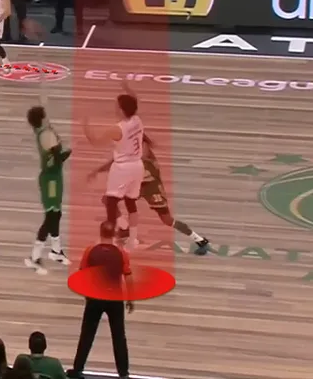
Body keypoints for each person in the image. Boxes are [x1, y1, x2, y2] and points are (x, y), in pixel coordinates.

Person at [67, 222, 133, 379]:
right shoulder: (121, 253)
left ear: (100, 232)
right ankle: (123, 373)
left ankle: (77, 369)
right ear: (114, 234)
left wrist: (85, 293)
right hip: (115, 299)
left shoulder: (90, 251)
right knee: (119, 336)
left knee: (87, 334)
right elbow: (128, 276)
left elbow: (82, 274)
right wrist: (130, 298)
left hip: (94, 298)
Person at [83, 81, 144, 249]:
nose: (115, 108)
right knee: (131, 202)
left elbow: (95, 141)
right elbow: (135, 99)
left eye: (117, 106)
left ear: (122, 110)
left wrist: (85, 125)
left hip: (123, 168)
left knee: (110, 202)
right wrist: (127, 87)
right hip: (137, 166)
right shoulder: (137, 120)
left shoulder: (118, 129)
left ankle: (110, 242)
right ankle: (132, 240)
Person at [131, 135, 209, 254]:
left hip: (153, 190)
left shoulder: (145, 151)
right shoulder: (134, 151)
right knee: (113, 201)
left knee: (168, 220)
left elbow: (141, 158)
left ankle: (199, 239)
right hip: (140, 187)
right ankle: (124, 231)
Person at [24, 86, 71, 275]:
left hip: (55, 177)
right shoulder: (46, 135)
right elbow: (58, 157)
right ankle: (34, 257)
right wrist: (71, 150)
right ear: (42, 119)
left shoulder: (44, 130)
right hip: (50, 179)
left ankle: (56, 251)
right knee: (51, 217)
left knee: (57, 214)